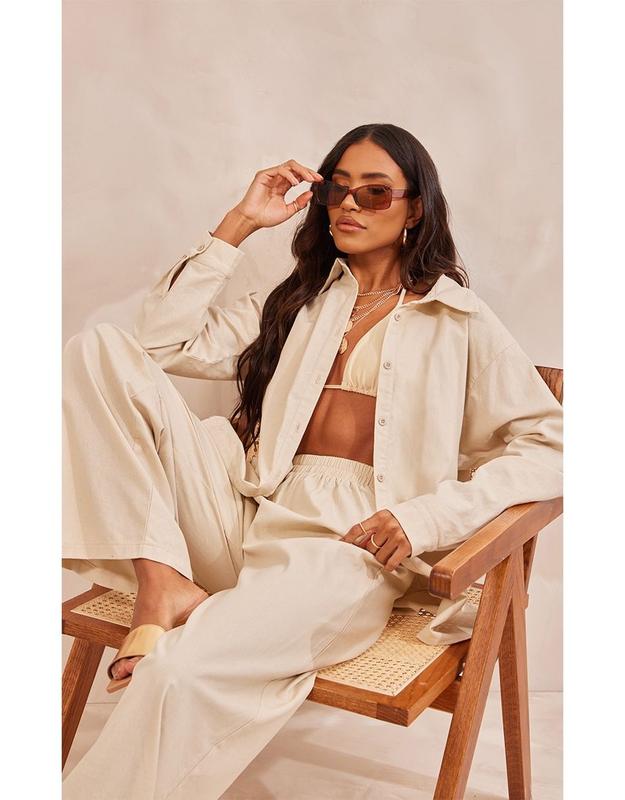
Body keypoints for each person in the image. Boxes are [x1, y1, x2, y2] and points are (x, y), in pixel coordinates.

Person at [61, 123, 563, 799]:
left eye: (374, 192)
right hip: (246, 509)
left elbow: (554, 445)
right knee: (96, 349)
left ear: (415, 208)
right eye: (337, 190)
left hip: (346, 547)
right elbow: (154, 342)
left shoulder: (458, 320)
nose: (349, 204)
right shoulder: (298, 301)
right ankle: (162, 580)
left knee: (179, 672)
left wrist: (426, 518)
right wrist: (240, 222)